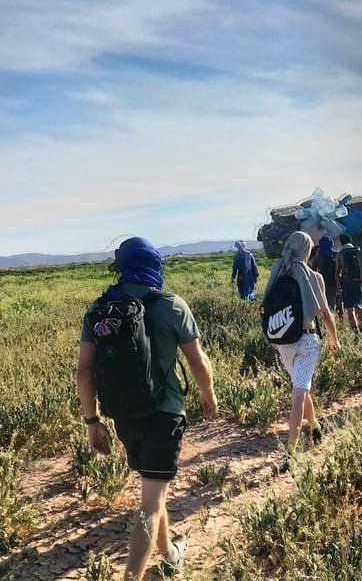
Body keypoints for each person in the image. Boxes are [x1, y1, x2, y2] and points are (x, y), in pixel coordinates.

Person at [76, 236, 218, 580]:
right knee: (150, 503)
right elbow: (197, 360)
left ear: (121, 267)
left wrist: (92, 421)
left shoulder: (98, 311)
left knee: (152, 487)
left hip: (123, 414)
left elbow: (84, 371)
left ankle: (169, 554)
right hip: (164, 413)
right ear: (155, 264)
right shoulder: (171, 305)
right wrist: (207, 392)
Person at [260, 231, 340, 472]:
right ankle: (291, 451)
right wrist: (334, 339)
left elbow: (262, 308)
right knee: (298, 394)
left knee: (300, 385)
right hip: (306, 341)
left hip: (283, 342)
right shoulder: (313, 276)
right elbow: (325, 313)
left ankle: (314, 426)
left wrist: (273, 337)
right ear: (308, 249)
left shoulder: (277, 270)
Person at [336, 233, 362, 332]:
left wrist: (338, 288)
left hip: (346, 284)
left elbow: (337, 273)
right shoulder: (359, 251)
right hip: (359, 283)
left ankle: (356, 333)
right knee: (360, 308)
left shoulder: (340, 254)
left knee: (350, 310)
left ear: (341, 242)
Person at [310, 235, 340, 315]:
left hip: (324, 283)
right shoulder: (337, 254)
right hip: (337, 283)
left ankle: (329, 318)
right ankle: (340, 320)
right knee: (339, 304)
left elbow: (313, 272)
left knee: (328, 303)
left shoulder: (318, 257)